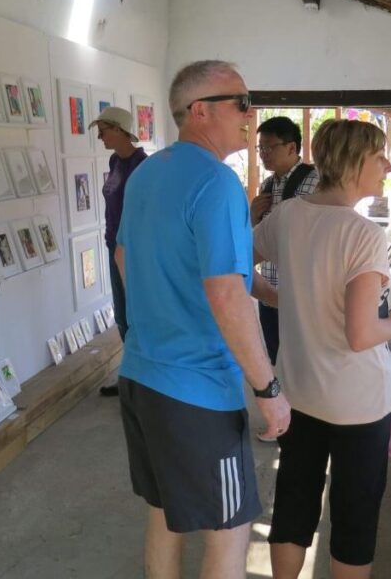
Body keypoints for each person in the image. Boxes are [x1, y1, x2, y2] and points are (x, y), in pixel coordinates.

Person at [115, 60, 292, 579]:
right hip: (196, 391)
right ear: (199, 111)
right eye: (240, 101)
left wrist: (276, 297)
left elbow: (130, 259)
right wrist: (268, 387)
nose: (250, 112)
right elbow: (227, 295)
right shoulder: (217, 184)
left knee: (166, 515)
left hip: (141, 374)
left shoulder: (149, 173)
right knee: (229, 528)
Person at [254, 119, 391, 579]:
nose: (388, 165)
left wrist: (279, 298)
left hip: (300, 392)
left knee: (293, 502)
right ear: (352, 163)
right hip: (358, 403)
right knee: (353, 515)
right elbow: (362, 335)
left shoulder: (287, 215)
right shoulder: (363, 234)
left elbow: (235, 264)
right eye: (379, 155)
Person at [251, 116, 319, 371]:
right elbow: (260, 236)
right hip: (268, 287)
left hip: (300, 289)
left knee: (302, 359)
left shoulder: (314, 181)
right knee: (275, 355)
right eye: (261, 149)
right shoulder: (268, 184)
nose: (263, 155)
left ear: (291, 147)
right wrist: (252, 218)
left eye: (269, 147)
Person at [88, 107, 147, 397]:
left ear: (120, 130)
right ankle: (131, 376)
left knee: (136, 314)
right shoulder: (115, 161)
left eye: (104, 130)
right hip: (114, 244)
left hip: (135, 250)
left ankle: (143, 380)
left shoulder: (142, 165)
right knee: (122, 315)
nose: (99, 136)